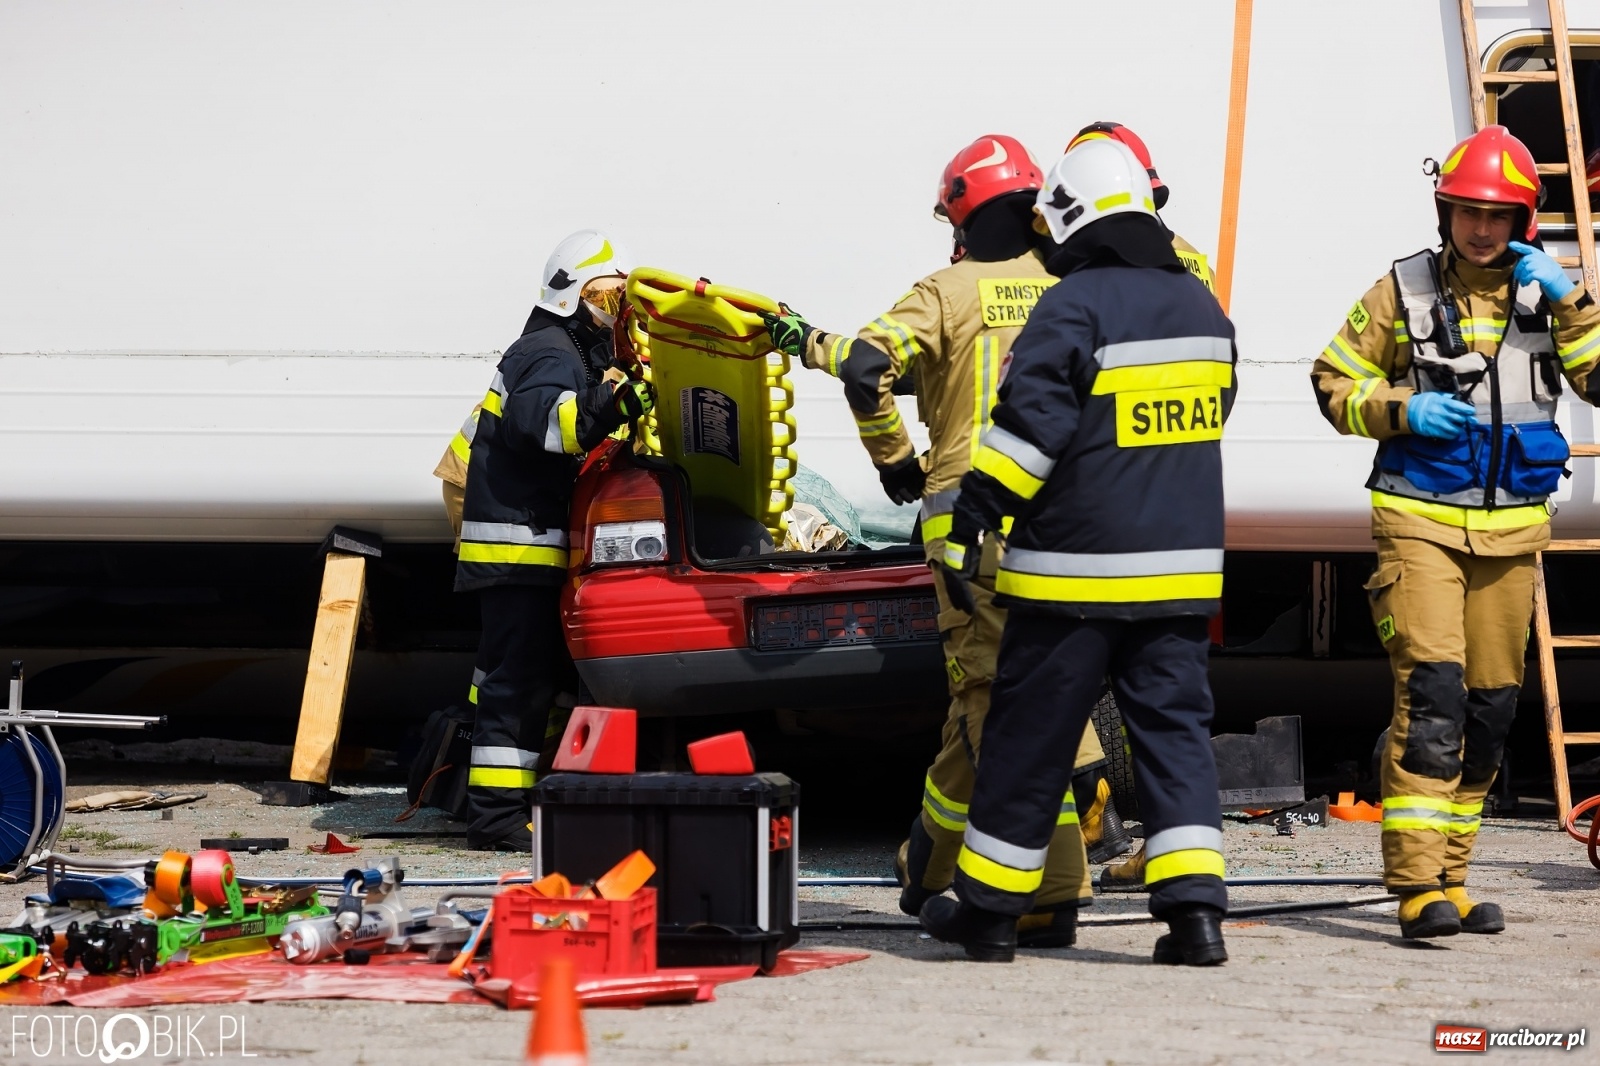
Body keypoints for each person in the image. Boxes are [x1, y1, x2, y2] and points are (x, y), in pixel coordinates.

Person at [763, 135, 1129, 950]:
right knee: (1040, 696)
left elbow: (863, 366)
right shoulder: (1076, 284)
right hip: (1068, 517)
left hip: (969, 520)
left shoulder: (947, 290)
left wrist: (896, 461)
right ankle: (951, 871)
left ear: (960, 211)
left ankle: (1018, 884)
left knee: (993, 703)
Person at [922, 137, 1237, 965]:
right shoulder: (1203, 307)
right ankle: (1196, 917)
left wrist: (972, 520)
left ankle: (989, 911)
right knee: (1174, 739)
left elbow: (1027, 437)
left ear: (1068, 219)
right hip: (1179, 577)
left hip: (1071, 576)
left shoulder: (1072, 307)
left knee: (1029, 740)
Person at [1310, 125, 1600, 938]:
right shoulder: (1399, 292)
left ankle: (1454, 881)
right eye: (1469, 212)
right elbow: (1333, 381)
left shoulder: (1549, 294)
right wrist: (1402, 409)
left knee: (1489, 709)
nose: (1482, 229)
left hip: (1511, 535)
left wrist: (1573, 299)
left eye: (1499, 215)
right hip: (1420, 524)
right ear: (1447, 214)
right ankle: (1414, 892)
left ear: (1522, 222)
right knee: (1431, 698)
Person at [455, 229, 654, 851]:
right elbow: (543, 425)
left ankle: (485, 805)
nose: (615, 309)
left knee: (513, 681)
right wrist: (614, 399)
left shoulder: (565, 348)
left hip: (522, 545)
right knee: (518, 684)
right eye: (608, 296)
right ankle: (493, 819)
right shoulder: (548, 352)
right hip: (517, 548)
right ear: (572, 293)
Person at [1065, 120, 1218, 894]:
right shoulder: (1189, 264)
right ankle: (1176, 864)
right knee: (1165, 706)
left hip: (1099, 506)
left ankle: (1080, 845)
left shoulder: (1094, 269)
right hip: (1179, 505)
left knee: (1069, 687)